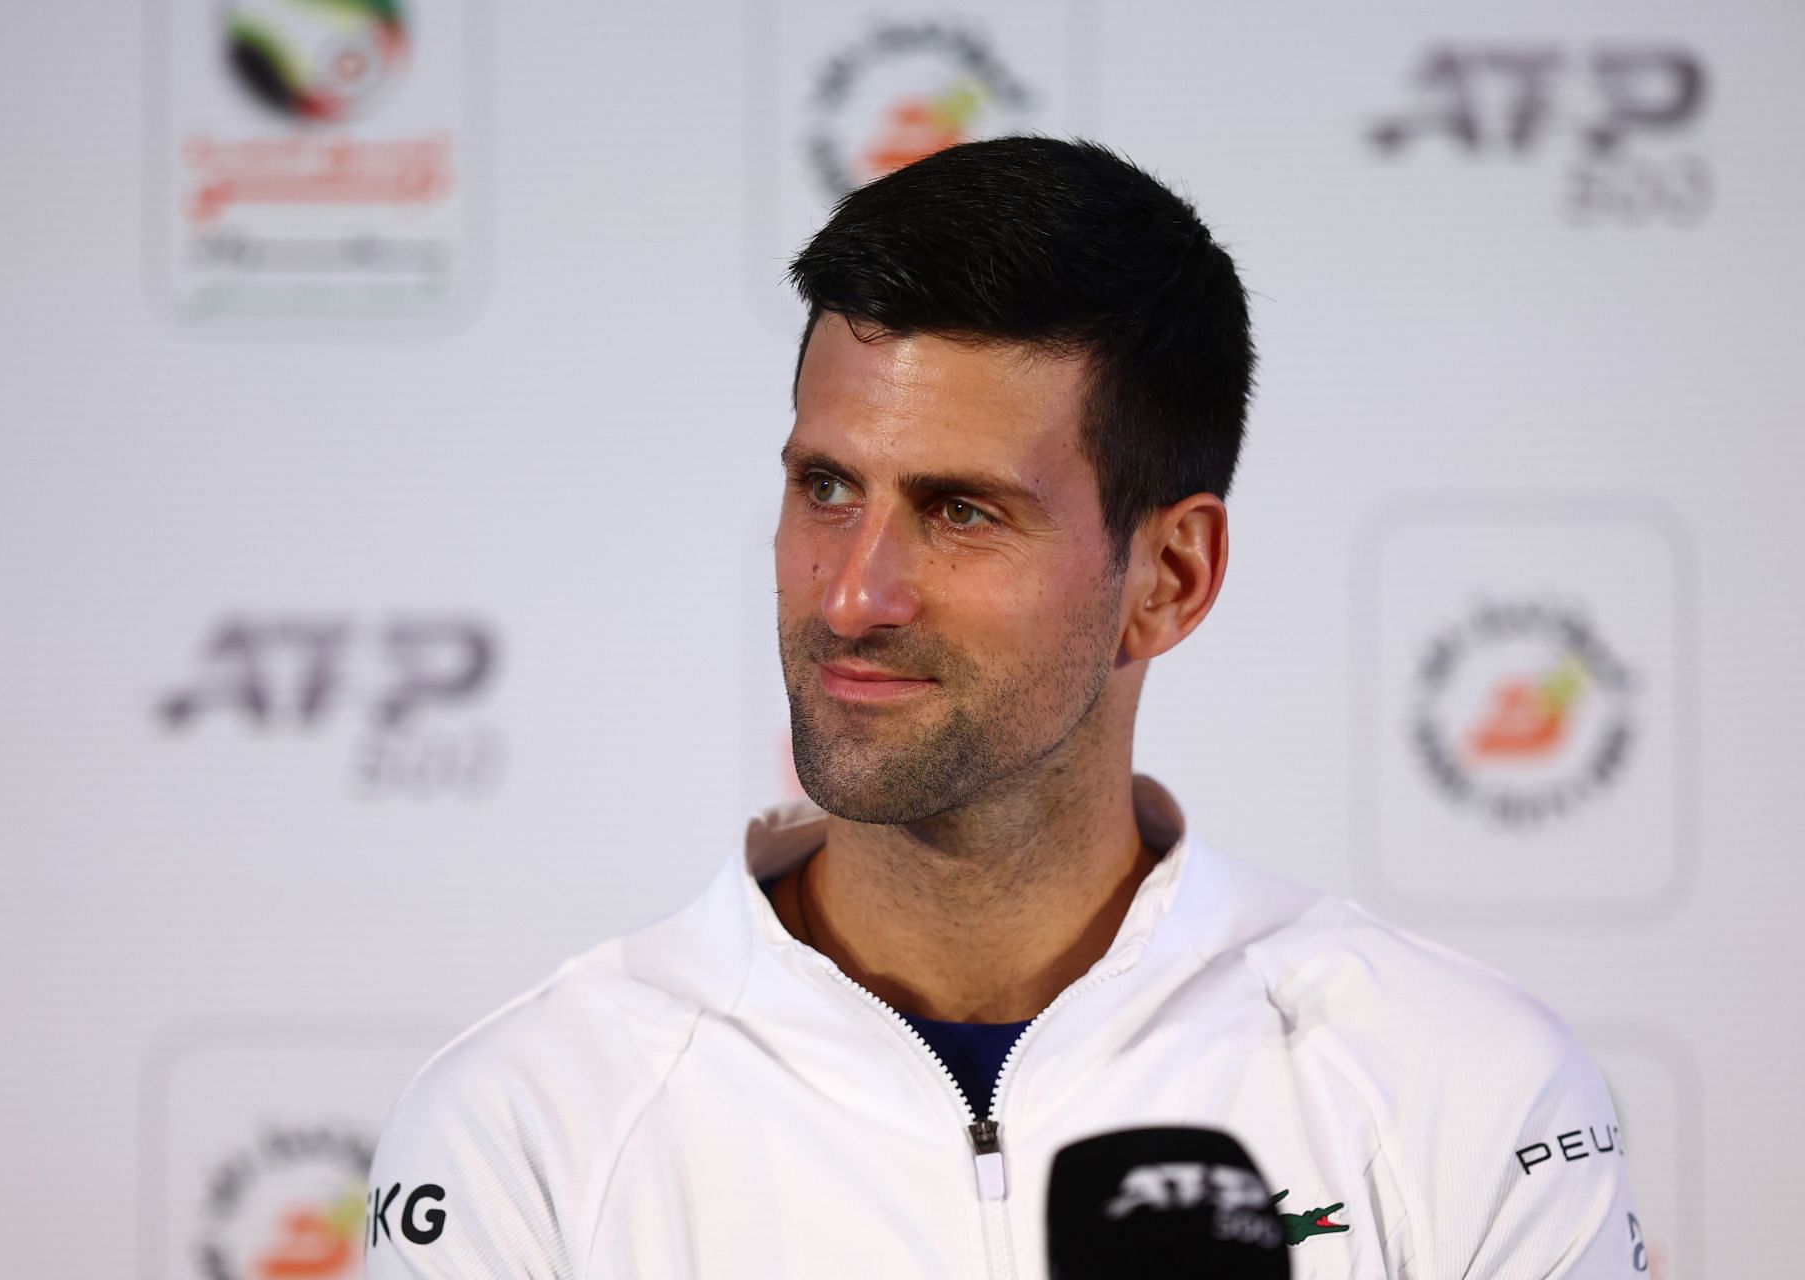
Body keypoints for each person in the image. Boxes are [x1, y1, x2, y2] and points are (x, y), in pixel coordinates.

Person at [364, 137, 1649, 1278]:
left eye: (961, 510)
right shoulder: (530, 1124)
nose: (856, 592)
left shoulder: (1465, 1092)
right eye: (825, 486)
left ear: (1171, 576)